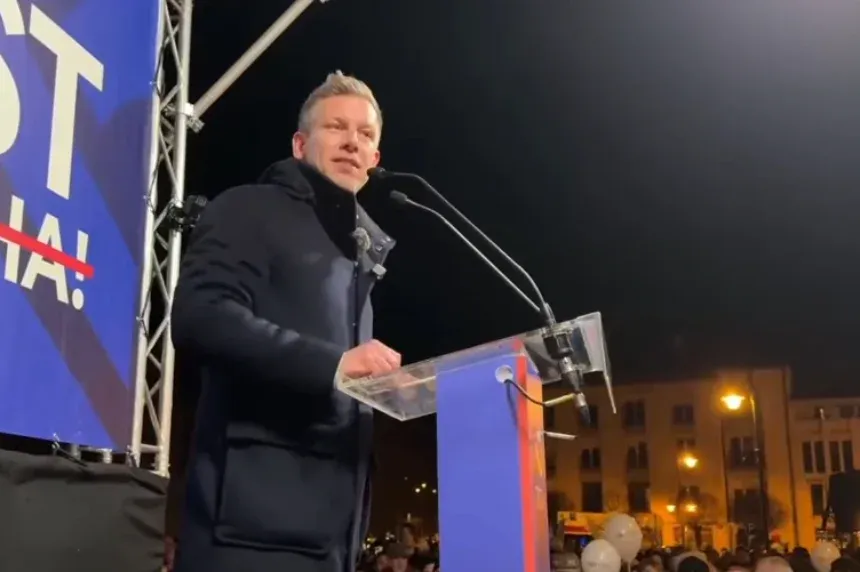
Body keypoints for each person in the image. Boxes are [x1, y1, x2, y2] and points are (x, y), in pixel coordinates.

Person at [171, 71, 402, 572]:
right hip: (248, 533)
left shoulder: (360, 254)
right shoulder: (248, 209)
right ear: (300, 144)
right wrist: (334, 365)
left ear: (375, 159)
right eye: (336, 127)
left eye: (365, 134)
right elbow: (199, 315)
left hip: (332, 539)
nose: (352, 142)